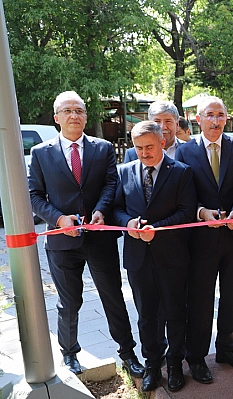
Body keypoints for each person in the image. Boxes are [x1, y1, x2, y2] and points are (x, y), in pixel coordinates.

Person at [28, 91, 144, 377]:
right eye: (67, 111)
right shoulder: (41, 153)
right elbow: (34, 195)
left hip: (99, 236)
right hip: (62, 240)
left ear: (86, 116)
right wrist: (58, 219)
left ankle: (128, 353)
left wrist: (102, 209)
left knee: (113, 296)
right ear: (57, 118)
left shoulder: (103, 148)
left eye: (79, 110)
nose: (74, 116)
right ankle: (69, 354)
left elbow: (110, 184)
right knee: (69, 301)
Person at [175, 96, 233, 383]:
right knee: (200, 300)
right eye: (209, 115)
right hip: (201, 239)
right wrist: (200, 211)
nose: (215, 120)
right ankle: (196, 357)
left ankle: (226, 349)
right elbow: (182, 192)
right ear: (198, 119)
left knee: (232, 297)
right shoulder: (184, 151)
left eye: (220, 115)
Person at [113, 121, 196, 392]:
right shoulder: (124, 172)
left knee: (175, 312)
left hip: (172, 256)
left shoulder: (181, 173)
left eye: (149, 147)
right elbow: (116, 210)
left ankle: (174, 365)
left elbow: (186, 213)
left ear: (162, 142)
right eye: (138, 148)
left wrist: (156, 230)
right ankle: (152, 365)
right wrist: (129, 224)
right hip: (138, 258)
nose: (144, 153)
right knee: (146, 315)